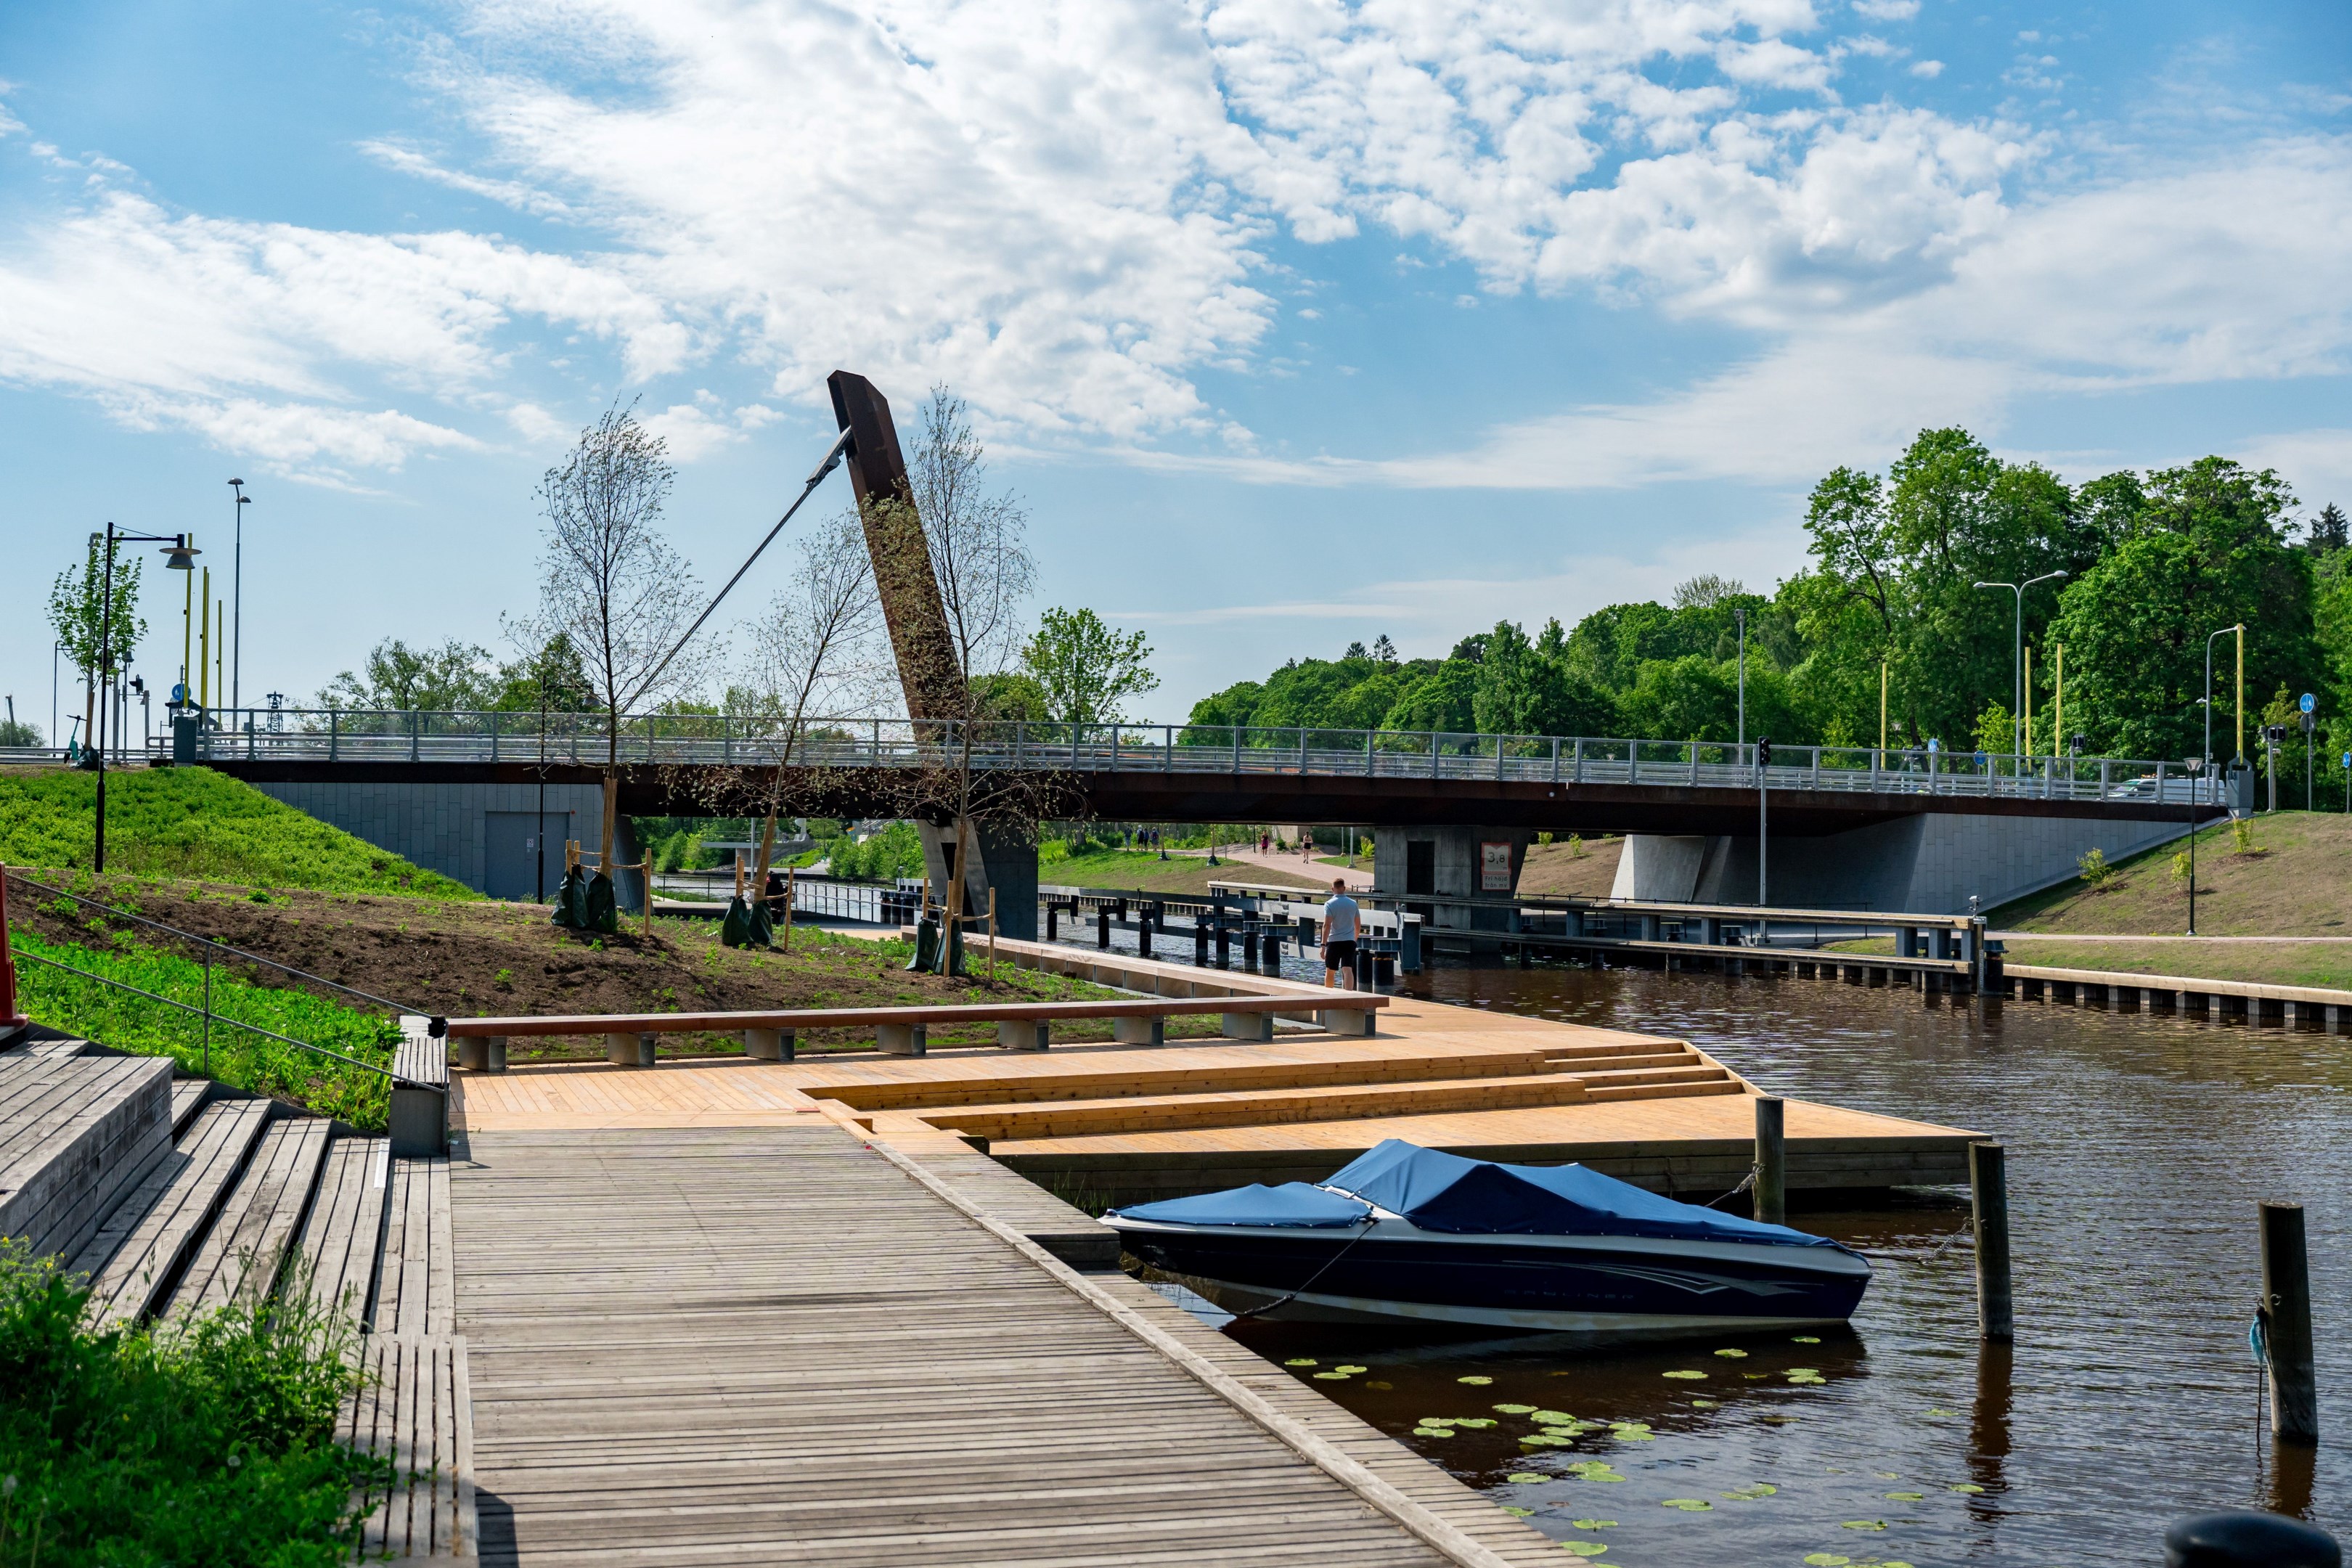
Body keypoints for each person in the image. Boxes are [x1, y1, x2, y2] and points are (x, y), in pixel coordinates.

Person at [1320, 877, 1360, 988]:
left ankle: (1329, 995)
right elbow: (1358, 925)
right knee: (1347, 969)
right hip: (1349, 941)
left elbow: (1327, 925)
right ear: (1344, 888)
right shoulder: (1353, 904)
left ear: (1332, 889)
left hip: (1334, 941)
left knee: (1330, 970)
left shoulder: (1329, 904)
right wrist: (1354, 939)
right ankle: (1348, 996)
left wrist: (1323, 945)